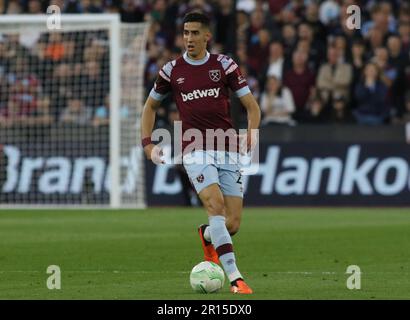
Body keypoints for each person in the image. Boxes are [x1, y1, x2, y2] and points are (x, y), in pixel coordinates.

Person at [140, 12, 260, 294]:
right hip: (194, 147)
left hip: (227, 147)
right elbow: (150, 107)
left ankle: (208, 235)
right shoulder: (172, 70)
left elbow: (252, 107)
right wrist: (147, 142)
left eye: (195, 33)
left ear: (208, 36)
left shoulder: (224, 65)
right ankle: (236, 278)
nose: (189, 38)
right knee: (214, 206)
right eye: (185, 33)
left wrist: (252, 132)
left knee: (232, 223)